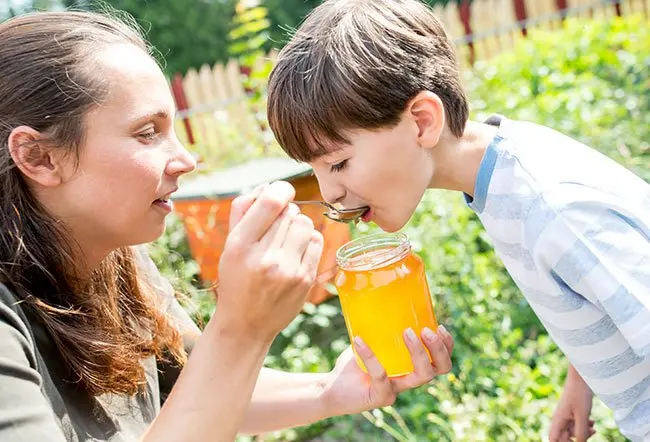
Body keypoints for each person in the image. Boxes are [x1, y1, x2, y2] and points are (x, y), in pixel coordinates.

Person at [0, 10, 455, 442]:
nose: (186, 160)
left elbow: (194, 390)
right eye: (147, 133)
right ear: (39, 157)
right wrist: (241, 327)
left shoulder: (112, 255)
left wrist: (329, 392)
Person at [265, 0, 650, 441]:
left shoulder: (554, 208)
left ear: (423, 122)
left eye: (338, 163)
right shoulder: (504, 173)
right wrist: (582, 380)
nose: (329, 192)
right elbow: (600, 287)